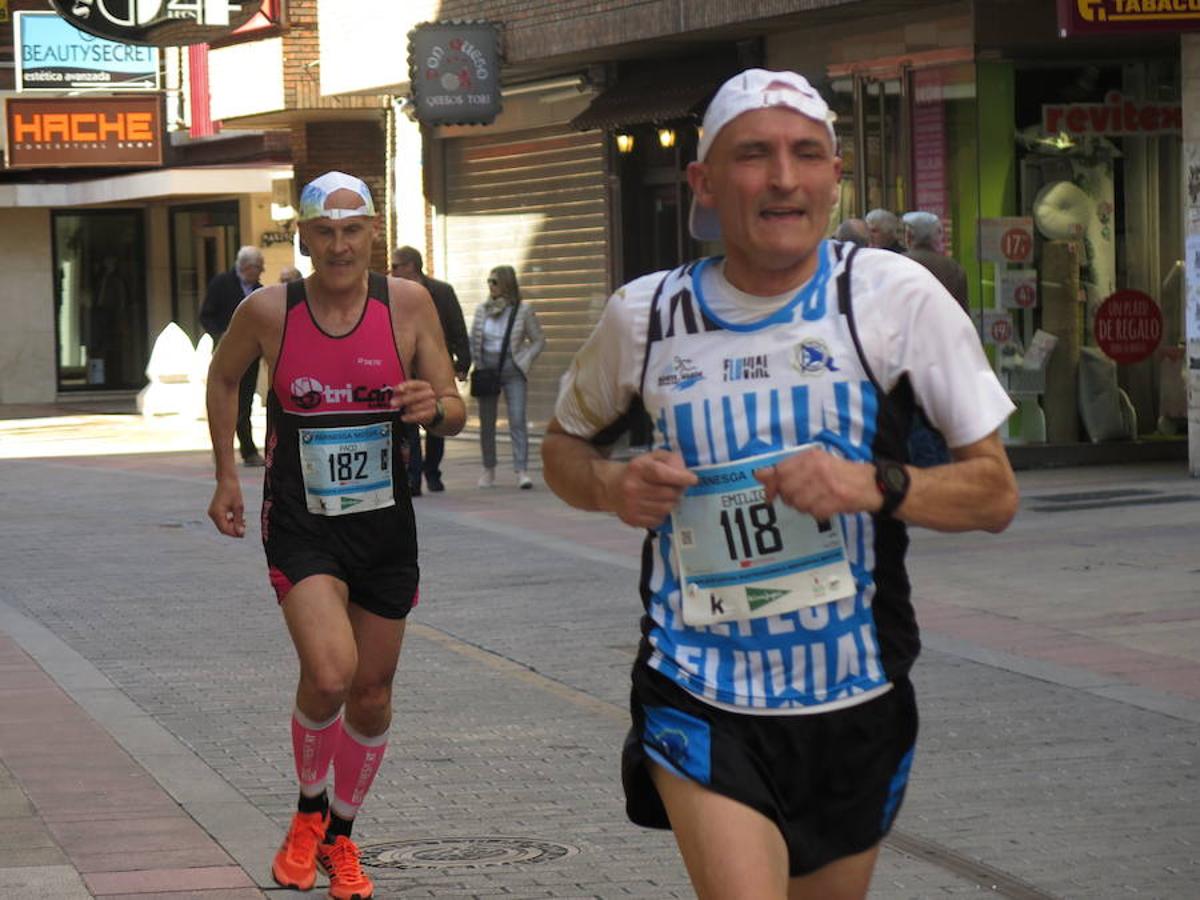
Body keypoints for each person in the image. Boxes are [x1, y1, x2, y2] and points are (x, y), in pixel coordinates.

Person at [542, 69, 1018, 900]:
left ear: (837, 176)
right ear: (705, 181)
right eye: (754, 156)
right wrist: (613, 485)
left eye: (806, 155)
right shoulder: (646, 316)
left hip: (856, 691)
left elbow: (994, 493)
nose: (783, 179)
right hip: (698, 686)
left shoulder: (891, 298)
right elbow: (562, 448)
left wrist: (873, 484)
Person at [205, 171, 465, 900]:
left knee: (373, 693)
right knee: (330, 674)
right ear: (305, 237)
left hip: (386, 525)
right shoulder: (268, 311)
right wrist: (228, 474)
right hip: (301, 520)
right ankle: (309, 811)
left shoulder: (408, 304)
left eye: (353, 230)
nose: (340, 245)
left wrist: (432, 405)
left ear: (373, 231)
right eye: (325, 231)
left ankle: (341, 839)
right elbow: (224, 379)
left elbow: (454, 407)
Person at [391, 245, 471, 494]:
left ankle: (432, 472)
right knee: (411, 421)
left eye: (396, 266)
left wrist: (462, 364)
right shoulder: (390, 294)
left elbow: (457, 327)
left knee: (438, 417)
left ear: (410, 266)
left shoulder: (441, 291)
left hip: (436, 364)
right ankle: (413, 478)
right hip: (405, 368)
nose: (391, 271)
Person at [469, 265, 545, 490]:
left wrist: (525, 359)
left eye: (494, 281)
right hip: (487, 371)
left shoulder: (523, 309)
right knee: (487, 423)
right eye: (488, 282)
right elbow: (474, 338)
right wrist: (475, 363)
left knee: (517, 419)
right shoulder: (483, 309)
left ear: (506, 284)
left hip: (513, 371)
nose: (490, 286)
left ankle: (521, 471)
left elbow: (539, 340)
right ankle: (488, 469)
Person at [201, 246, 266, 466]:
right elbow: (206, 315)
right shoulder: (221, 283)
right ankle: (222, 451)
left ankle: (248, 451)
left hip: (250, 355)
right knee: (224, 402)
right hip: (225, 354)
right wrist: (221, 336)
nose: (262, 271)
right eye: (259, 267)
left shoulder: (259, 290)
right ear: (248, 267)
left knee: (244, 403)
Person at [903, 211, 968, 311]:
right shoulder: (953, 268)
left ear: (909, 236)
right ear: (936, 236)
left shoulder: (899, 263)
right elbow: (962, 311)